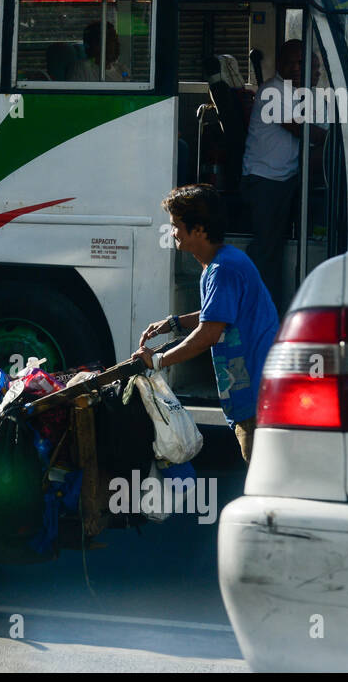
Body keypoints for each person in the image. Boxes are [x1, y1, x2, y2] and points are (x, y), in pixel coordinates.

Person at [133, 185, 278, 464]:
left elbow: (209, 333)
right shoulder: (224, 262)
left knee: (265, 483)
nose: (173, 232)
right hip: (254, 395)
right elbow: (218, 314)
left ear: (198, 230)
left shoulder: (222, 269)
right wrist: (174, 323)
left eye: (176, 225)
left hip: (256, 398)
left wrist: (158, 361)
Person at [240, 39, 327, 314]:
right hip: (265, 180)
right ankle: (258, 314)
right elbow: (302, 130)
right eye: (291, 62)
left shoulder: (302, 94)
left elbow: (321, 130)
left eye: (303, 63)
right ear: (280, 65)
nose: (297, 68)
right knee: (266, 251)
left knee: (277, 249)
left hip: (286, 180)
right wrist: (343, 139)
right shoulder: (271, 92)